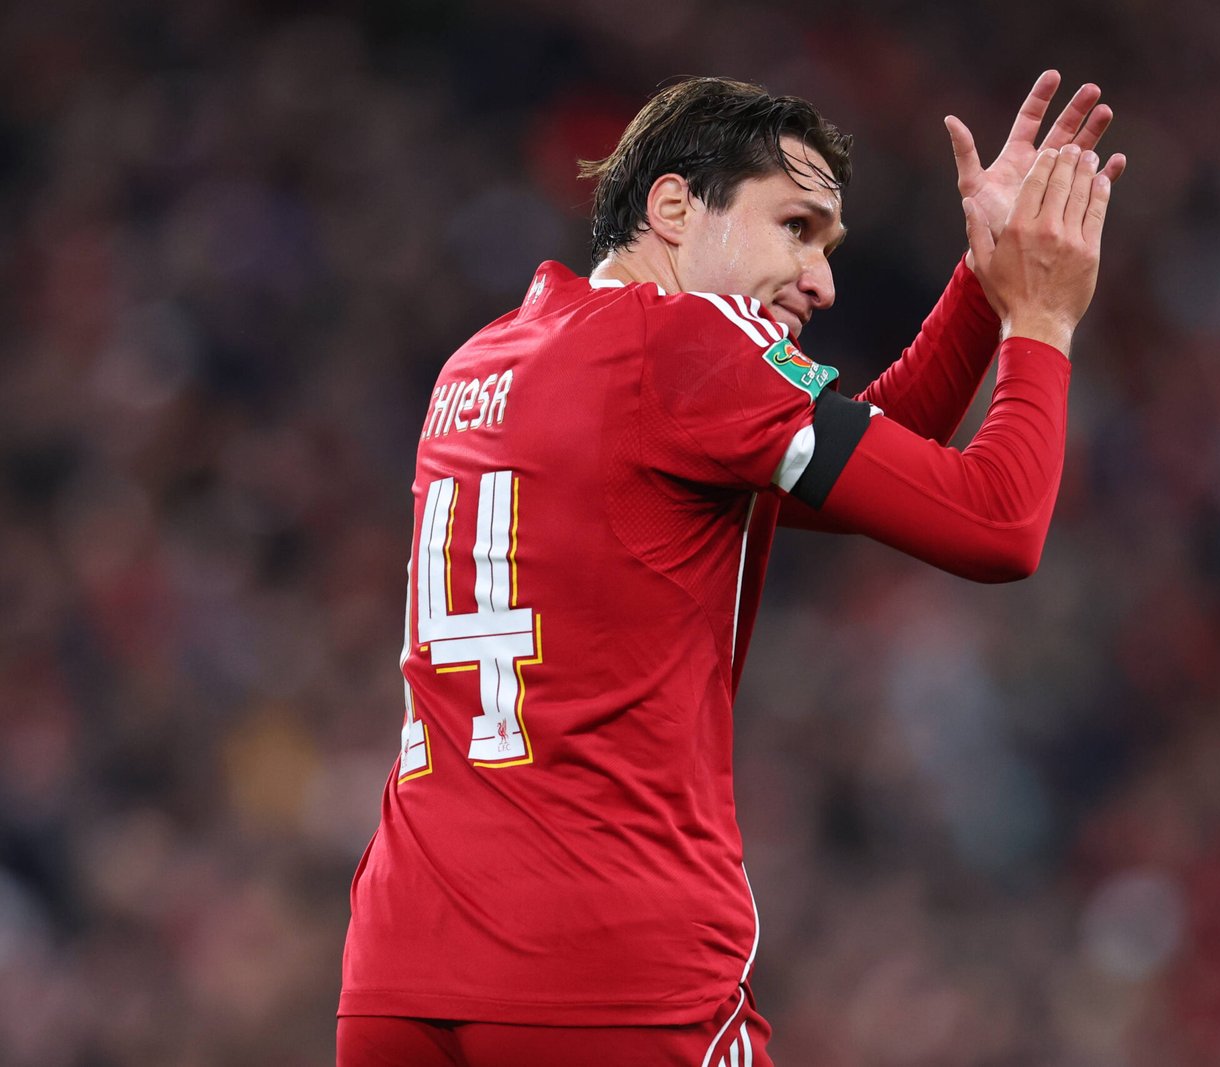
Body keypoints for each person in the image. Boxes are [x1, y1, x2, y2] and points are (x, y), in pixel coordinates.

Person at [338, 72, 1124, 1067]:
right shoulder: (687, 347)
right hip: (605, 970)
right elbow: (996, 523)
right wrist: (1040, 318)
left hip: (401, 969)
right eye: (795, 228)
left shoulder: (483, 359)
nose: (821, 281)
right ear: (673, 208)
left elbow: (874, 450)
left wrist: (979, 278)